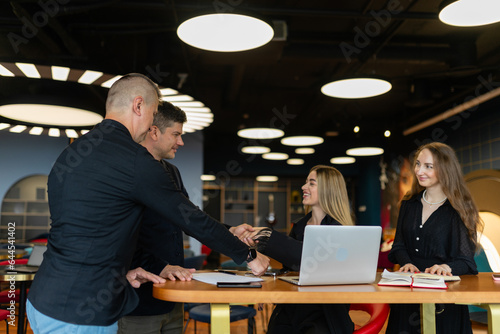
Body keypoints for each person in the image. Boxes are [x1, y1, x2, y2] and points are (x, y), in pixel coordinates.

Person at [26, 73, 269, 334]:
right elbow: (190, 218)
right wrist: (248, 255)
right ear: (138, 106)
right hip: (81, 314)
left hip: (41, 300)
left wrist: (120, 272)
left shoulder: (72, 152)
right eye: (153, 115)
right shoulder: (135, 160)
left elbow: (85, 231)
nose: (152, 124)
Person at [237, 165, 355, 334]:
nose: (303, 187)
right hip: (292, 307)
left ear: (327, 190)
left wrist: (267, 236)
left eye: (311, 183)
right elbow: (289, 270)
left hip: (323, 313)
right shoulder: (299, 226)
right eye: (306, 182)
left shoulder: (339, 229)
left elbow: (310, 259)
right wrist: (268, 290)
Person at [386, 142, 483, 334]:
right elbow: (398, 247)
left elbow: (466, 262)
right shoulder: (408, 204)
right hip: (408, 293)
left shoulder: (457, 209)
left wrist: (446, 267)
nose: (419, 171)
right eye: (418, 164)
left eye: (428, 166)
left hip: (443, 296)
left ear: (445, 169)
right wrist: (407, 263)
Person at [117, 101, 192, 334]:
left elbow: (189, 217)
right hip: (138, 303)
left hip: (172, 298)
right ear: (154, 131)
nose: (181, 142)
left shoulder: (172, 172)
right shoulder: (127, 172)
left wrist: (228, 232)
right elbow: (122, 238)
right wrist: (160, 267)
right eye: (176, 134)